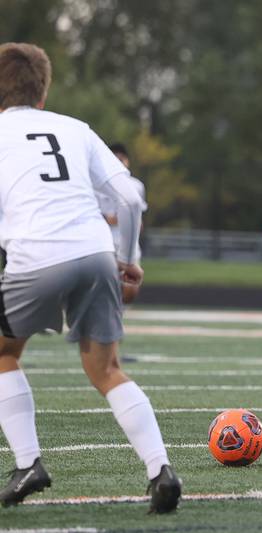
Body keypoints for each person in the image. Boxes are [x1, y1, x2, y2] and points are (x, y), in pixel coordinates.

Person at [0, 43, 180, 512]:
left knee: (1, 355)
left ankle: (28, 463)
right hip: (96, 253)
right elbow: (131, 197)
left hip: (34, 256)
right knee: (106, 369)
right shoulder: (74, 128)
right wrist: (129, 256)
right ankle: (160, 469)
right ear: (44, 90)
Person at [96, 142, 148, 304]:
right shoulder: (96, 184)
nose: (119, 162)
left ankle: (118, 313)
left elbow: (137, 211)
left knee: (130, 289)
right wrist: (107, 219)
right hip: (104, 241)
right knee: (103, 286)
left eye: (122, 158)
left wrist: (136, 224)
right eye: (115, 158)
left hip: (127, 241)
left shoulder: (136, 185)